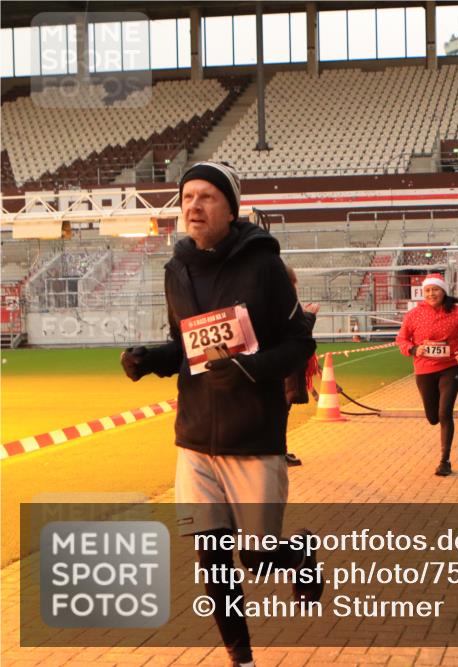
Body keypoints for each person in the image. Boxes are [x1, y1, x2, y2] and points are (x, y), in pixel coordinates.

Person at [119, 162, 320, 667]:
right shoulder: (176, 269)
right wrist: (151, 360)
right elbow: (185, 346)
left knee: (254, 557)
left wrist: (250, 369)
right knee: (212, 563)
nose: (193, 206)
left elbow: (300, 344)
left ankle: (297, 555)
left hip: (251, 437)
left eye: (207, 196)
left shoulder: (265, 267)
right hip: (193, 441)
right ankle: (242, 659)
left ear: (231, 207)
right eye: (187, 197)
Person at [396, 273, 458, 476]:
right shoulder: (414, 315)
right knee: (433, 417)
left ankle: (445, 460)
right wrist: (415, 350)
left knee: (445, 413)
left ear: (443, 291)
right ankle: (443, 449)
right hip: (424, 369)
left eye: (436, 289)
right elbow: (401, 340)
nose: (431, 294)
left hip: (451, 367)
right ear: (422, 293)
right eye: (428, 290)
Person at [283, 263, 321, 467]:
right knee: (279, 412)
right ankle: (277, 452)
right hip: (283, 369)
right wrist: (310, 316)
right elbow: (297, 334)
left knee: (281, 411)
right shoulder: (282, 305)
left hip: (282, 369)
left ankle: (280, 451)